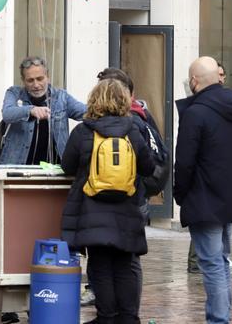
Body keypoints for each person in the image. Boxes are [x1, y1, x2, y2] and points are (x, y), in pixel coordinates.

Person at [60, 79, 156, 324]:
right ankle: (128, 318)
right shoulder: (132, 130)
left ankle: (107, 317)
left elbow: (67, 166)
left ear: (94, 101)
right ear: (124, 101)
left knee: (100, 266)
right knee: (124, 266)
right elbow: (148, 167)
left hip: (92, 211)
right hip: (126, 210)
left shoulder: (83, 131)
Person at [174, 56, 232, 324]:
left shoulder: (195, 113)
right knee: (221, 261)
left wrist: (180, 193)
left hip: (203, 198)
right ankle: (222, 316)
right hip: (230, 197)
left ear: (194, 81)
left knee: (211, 264)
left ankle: (219, 320)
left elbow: (184, 161)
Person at [188, 61, 232, 273]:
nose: (220, 78)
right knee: (214, 264)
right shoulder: (197, 110)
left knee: (216, 261)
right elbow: (186, 159)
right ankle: (197, 262)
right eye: (217, 74)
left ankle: (217, 261)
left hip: (224, 187)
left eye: (222, 74)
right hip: (207, 189)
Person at [0, 57, 86, 165]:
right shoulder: (14, 93)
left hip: (55, 170)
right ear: (23, 80)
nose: (36, 85)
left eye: (40, 79)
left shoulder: (61, 97)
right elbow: (7, 113)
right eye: (30, 80)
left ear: (47, 77)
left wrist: (104, 101)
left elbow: (86, 112)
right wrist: (31, 110)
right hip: (18, 168)